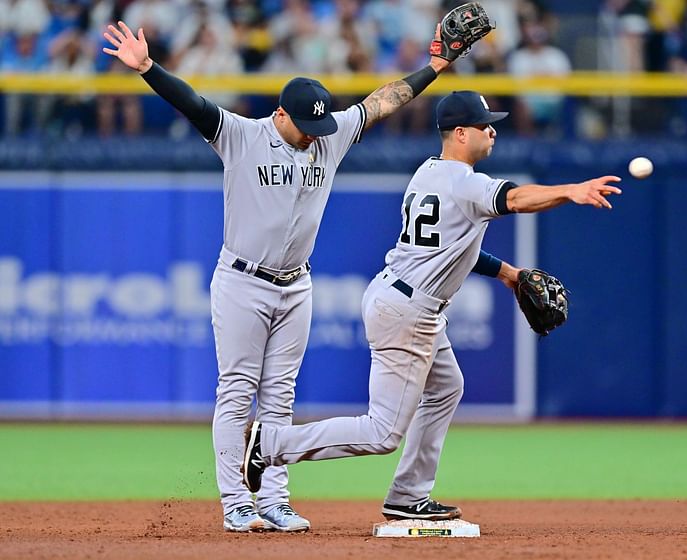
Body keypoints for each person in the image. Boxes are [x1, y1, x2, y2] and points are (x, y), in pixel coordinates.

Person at [102, 19, 455, 533]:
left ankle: (273, 498)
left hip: (297, 284)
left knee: (281, 396)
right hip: (242, 280)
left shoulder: (327, 138)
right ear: (281, 113)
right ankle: (235, 501)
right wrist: (149, 69)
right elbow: (193, 103)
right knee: (238, 389)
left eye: (322, 128)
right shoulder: (241, 135)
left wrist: (435, 69)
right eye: (307, 128)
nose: (316, 137)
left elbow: (382, 101)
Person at [241, 91, 622, 522]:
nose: (492, 130)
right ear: (460, 133)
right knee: (382, 432)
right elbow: (515, 199)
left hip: (400, 297)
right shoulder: (465, 182)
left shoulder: (430, 172)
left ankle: (408, 496)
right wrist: (571, 190)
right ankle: (270, 445)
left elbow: (456, 250)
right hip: (410, 312)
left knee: (446, 387)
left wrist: (510, 275)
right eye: (484, 124)